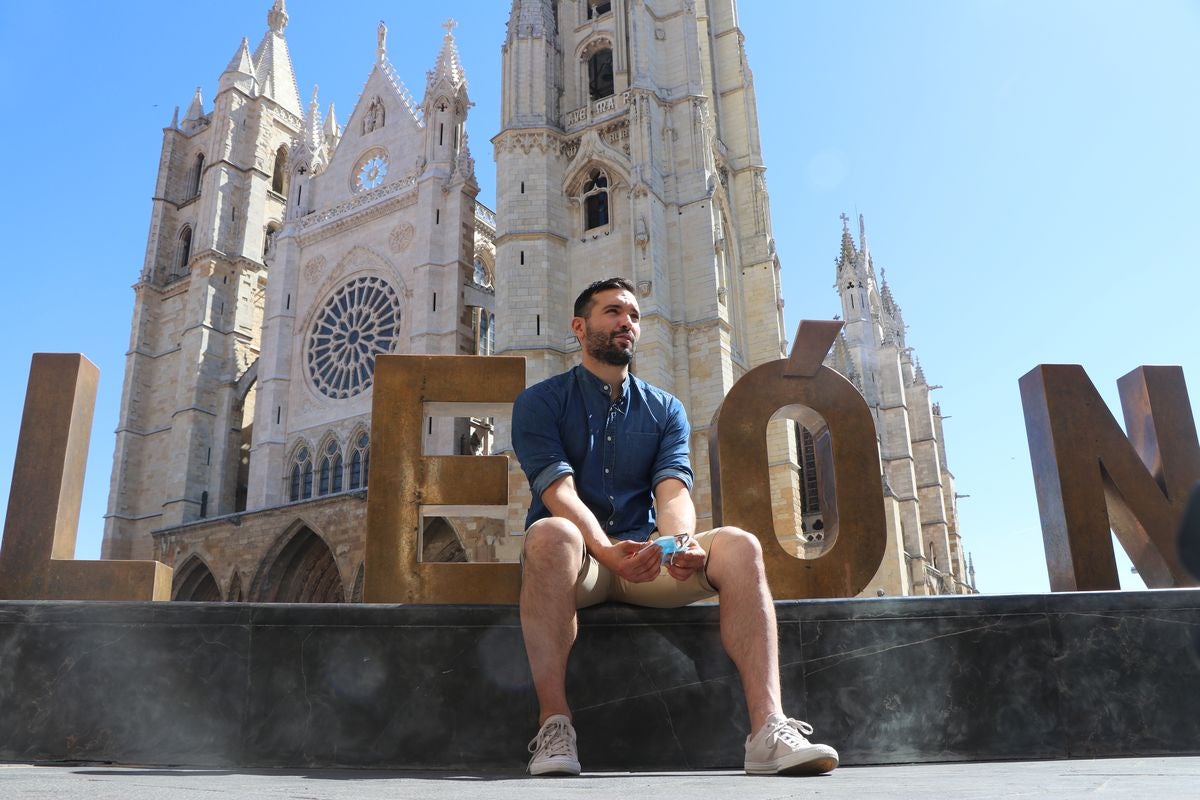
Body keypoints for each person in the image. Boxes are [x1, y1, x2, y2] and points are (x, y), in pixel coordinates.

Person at [511, 277, 839, 777]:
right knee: (553, 532)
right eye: (613, 312)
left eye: (635, 316)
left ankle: (768, 728)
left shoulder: (667, 409)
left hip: (644, 559)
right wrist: (604, 549)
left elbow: (673, 490)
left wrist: (680, 543)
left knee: (741, 546)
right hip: (579, 566)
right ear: (579, 327)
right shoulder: (540, 402)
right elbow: (558, 491)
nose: (627, 323)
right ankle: (555, 726)